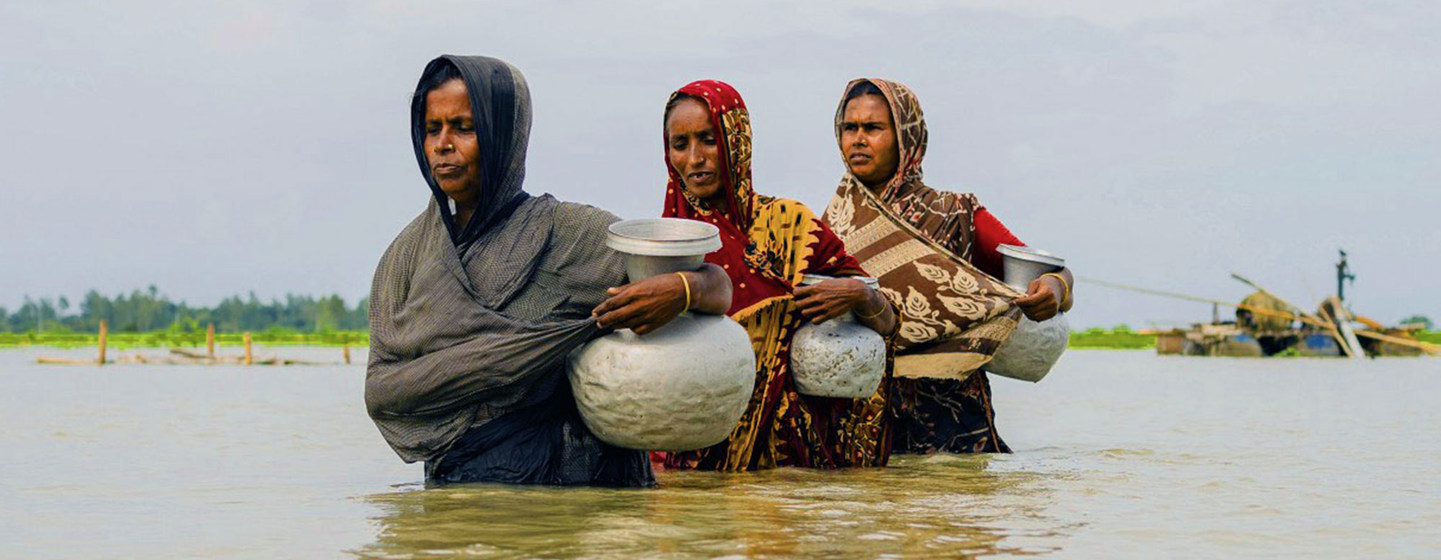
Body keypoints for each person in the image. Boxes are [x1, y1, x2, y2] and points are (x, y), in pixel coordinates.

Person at [364, 55, 732, 487]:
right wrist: (491, 363)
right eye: (432, 129)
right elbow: (381, 391)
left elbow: (716, 284)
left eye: (464, 127)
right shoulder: (406, 257)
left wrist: (685, 289)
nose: (443, 144)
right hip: (458, 495)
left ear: (504, 134)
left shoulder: (565, 233)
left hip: (569, 497)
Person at [654, 80, 898, 472]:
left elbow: (887, 324)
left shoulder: (793, 225)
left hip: (795, 469)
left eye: (709, 139)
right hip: (692, 464)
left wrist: (859, 295)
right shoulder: (666, 247)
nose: (695, 158)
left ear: (737, 140)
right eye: (680, 145)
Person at [821, 79, 1075, 454]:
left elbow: (1047, 272)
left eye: (873, 128)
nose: (858, 139)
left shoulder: (956, 214)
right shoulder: (828, 226)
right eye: (849, 128)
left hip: (954, 421)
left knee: (954, 502)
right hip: (863, 422)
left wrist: (1055, 289)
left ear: (907, 137)